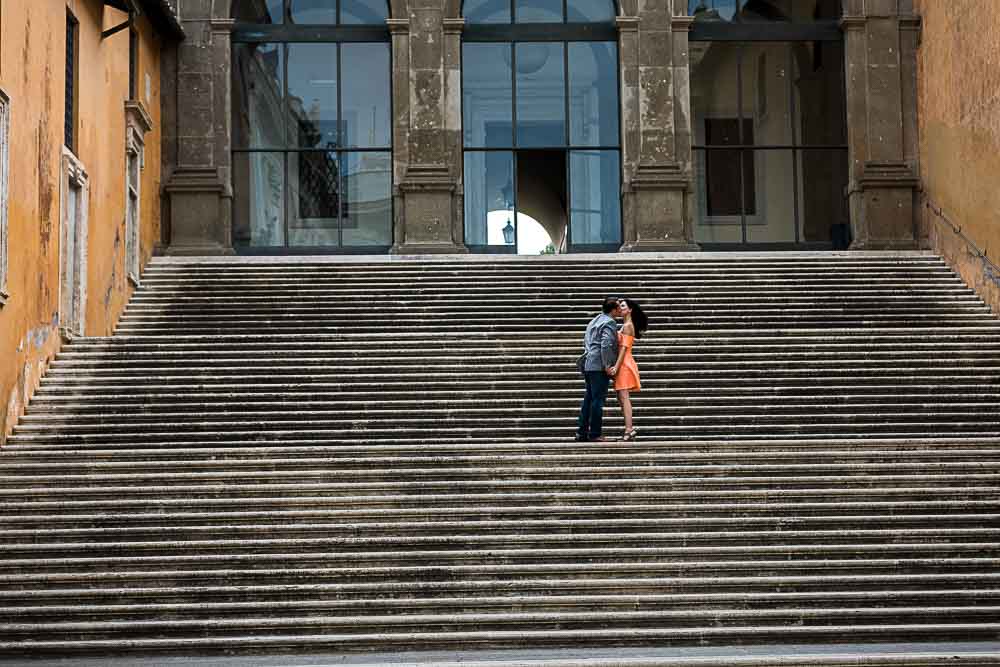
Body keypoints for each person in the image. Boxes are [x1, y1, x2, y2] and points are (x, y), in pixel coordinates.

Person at [576, 297, 622, 442]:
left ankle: (581, 432)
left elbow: (587, 341)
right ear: (613, 310)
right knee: (597, 400)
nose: (620, 310)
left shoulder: (595, 320)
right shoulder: (609, 322)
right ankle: (595, 433)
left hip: (589, 363)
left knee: (588, 399)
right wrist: (608, 365)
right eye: (619, 308)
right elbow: (606, 345)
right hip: (598, 366)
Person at [610, 298, 648, 441]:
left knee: (624, 398)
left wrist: (616, 367)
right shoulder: (625, 324)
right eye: (619, 306)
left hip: (624, 364)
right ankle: (628, 429)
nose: (620, 308)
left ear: (630, 309)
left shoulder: (628, 325)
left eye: (623, 306)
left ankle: (629, 429)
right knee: (621, 398)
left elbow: (623, 349)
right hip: (624, 363)